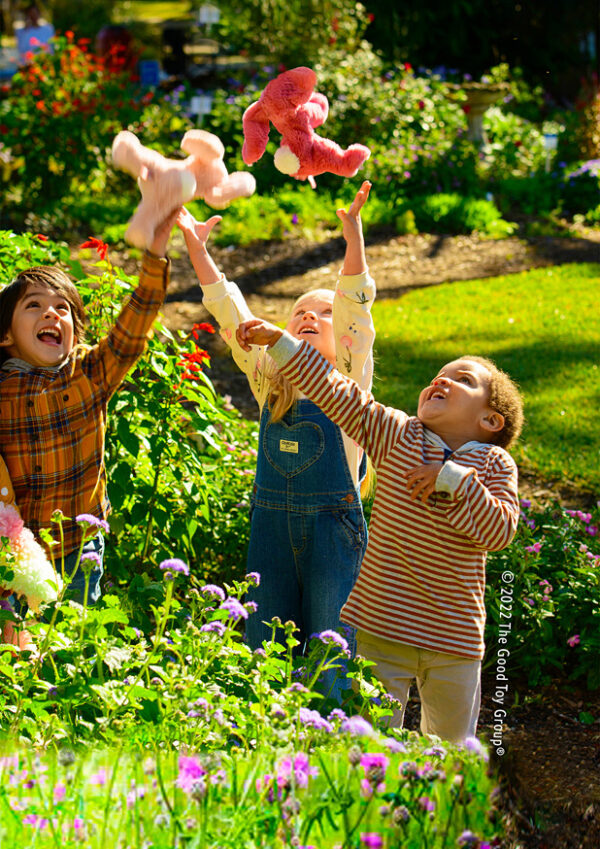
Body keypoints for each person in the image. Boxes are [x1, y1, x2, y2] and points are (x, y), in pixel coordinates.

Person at [236, 315, 524, 743]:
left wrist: (452, 479)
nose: (440, 382)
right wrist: (281, 342)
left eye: (461, 379)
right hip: (382, 627)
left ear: (490, 421)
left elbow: (499, 531)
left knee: (451, 747)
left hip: (454, 639)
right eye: (437, 377)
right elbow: (338, 392)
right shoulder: (398, 435)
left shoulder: (493, 464)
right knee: (369, 743)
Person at [178, 182, 375, 695]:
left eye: (324, 313)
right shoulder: (268, 381)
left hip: (334, 537)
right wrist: (200, 255)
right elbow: (232, 318)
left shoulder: (350, 386)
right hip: (272, 530)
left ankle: (330, 740)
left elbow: (357, 315)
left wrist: (353, 238)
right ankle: (262, 733)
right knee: (262, 645)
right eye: (300, 312)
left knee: (331, 649)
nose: (311, 315)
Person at [0, 210, 179, 606]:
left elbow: (132, 330)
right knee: (18, 656)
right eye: (34, 305)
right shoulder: (2, 389)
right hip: (16, 555)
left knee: (74, 649)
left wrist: (155, 252)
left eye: (63, 308)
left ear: (75, 331)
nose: (51, 313)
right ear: (6, 336)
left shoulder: (88, 374)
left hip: (77, 552)